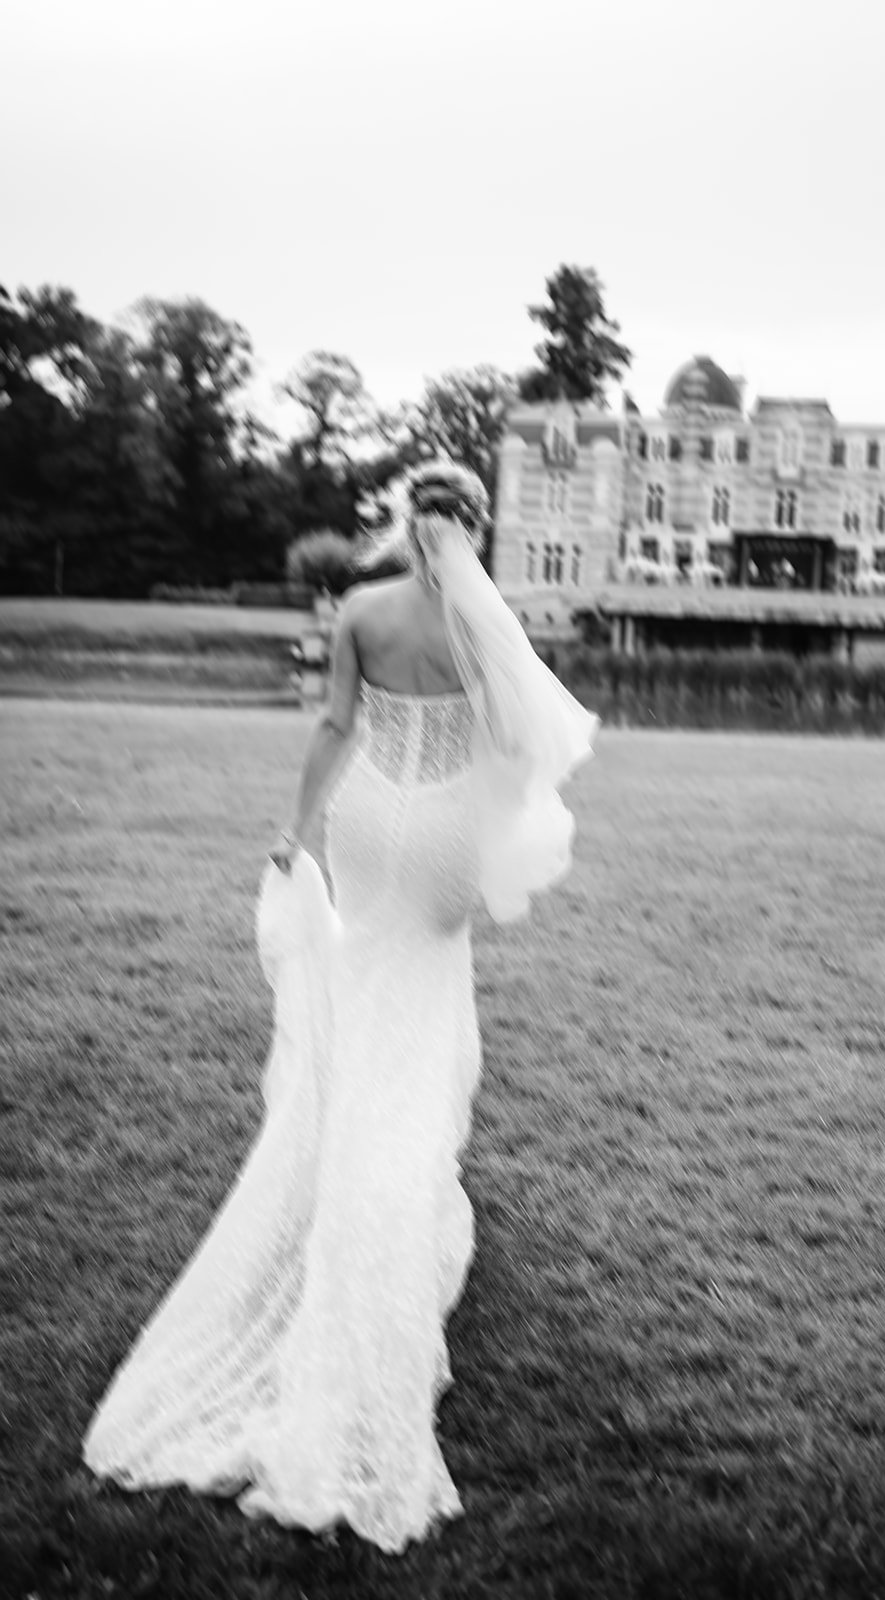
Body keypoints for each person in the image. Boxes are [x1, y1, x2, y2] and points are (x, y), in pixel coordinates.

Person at [81, 460, 598, 1551]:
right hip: (450, 829)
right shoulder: (484, 624)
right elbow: (519, 743)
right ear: (474, 529)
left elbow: (335, 727)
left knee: (368, 983)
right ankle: (404, 1164)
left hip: (366, 818)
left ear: (408, 525)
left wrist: (297, 827)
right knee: (429, 987)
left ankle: (362, 1132)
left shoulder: (359, 609)